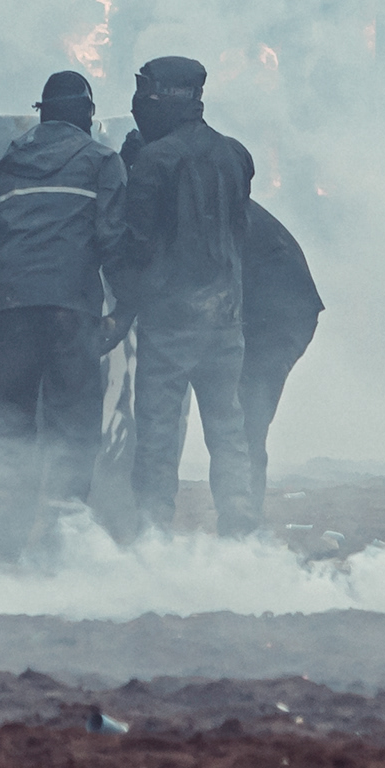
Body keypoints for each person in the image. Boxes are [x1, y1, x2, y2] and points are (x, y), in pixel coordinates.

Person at [111, 54, 262, 537]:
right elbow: (238, 230)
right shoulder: (236, 154)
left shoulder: (155, 161)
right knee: (228, 431)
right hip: (225, 318)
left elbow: (136, 244)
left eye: (146, 92)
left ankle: (154, 534)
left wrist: (121, 306)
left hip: (171, 319)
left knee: (156, 434)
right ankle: (239, 528)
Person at [0, 69, 125, 509]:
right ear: (86, 114)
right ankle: (67, 523)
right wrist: (127, 307)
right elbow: (113, 241)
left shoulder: (6, 166)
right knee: (73, 420)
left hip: (12, 308)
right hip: (70, 308)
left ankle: (3, 517)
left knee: (12, 415)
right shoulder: (101, 162)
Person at [240, 198, 322, 503]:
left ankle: (245, 523)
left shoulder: (211, 204)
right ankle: (244, 521)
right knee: (244, 422)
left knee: (247, 422)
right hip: (273, 313)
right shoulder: (216, 192)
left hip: (276, 319)